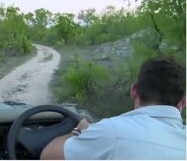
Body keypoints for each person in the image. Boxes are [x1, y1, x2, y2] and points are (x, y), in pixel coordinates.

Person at [41, 57, 186, 160]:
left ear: (134, 91)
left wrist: (78, 131)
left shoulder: (113, 131)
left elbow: (47, 156)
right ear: (183, 102)